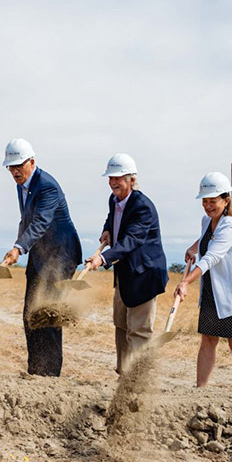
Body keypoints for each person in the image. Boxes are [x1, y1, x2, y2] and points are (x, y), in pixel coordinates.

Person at [1, 139, 82, 376]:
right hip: (39, 255)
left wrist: (19, 247)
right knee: (30, 314)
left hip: (61, 254)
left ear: (32, 162)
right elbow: (26, 220)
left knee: (47, 314)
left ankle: (50, 375)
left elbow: (40, 223)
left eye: (19, 165)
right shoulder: (21, 185)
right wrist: (16, 245)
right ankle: (35, 370)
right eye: (11, 167)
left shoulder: (47, 186)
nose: (14, 171)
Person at [174, 172, 232, 390]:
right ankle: (200, 389)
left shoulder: (231, 226)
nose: (208, 206)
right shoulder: (207, 221)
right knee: (208, 340)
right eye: (205, 201)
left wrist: (186, 283)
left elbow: (211, 258)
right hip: (214, 291)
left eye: (213, 201)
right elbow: (205, 239)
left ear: (226, 200)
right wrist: (194, 247)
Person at [87, 153, 168, 375]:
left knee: (139, 331)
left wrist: (102, 258)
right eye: (111, 177)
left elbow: (131, 240)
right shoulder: (115, 199)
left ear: (132, 179)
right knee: (121, 326)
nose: (113, 182)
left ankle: (137, 382)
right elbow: (112, 217)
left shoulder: (143, 207)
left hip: (144, 275)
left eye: (119, 178)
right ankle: (123, 374)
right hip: (124, 275)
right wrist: (106, 229)